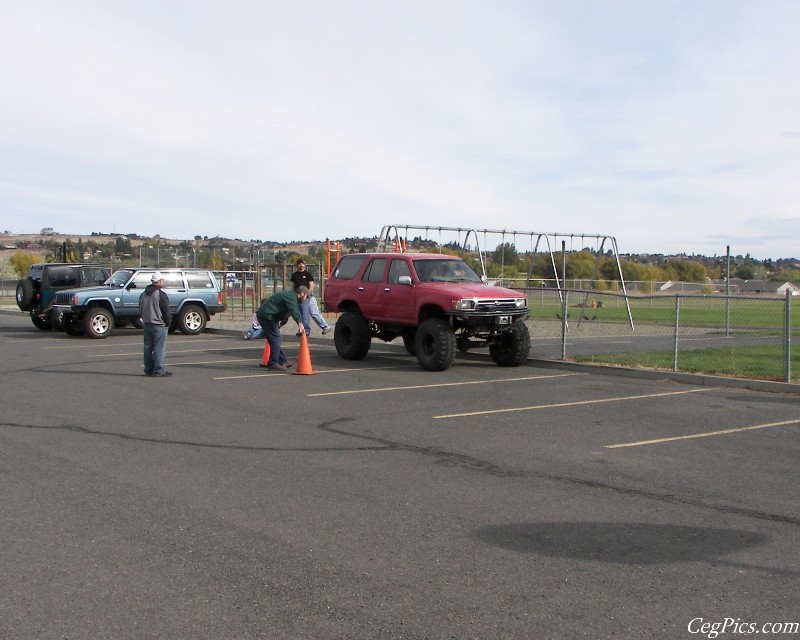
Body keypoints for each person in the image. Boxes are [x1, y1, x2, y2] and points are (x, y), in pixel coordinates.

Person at [255, 286, 308, 371]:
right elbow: (293, 310)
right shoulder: (292, 297)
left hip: (268, 317)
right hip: (267, 316)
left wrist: (281, 322)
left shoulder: (290, 296)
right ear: (302, 293)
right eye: (306, 296)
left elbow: (285, 312)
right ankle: (273, 363)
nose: (306, 299)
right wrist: (300, 323)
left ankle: (282, 360)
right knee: (276, 339)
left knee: (274, 340)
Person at [139, 271, 172, 377]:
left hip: (147, 323)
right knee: (159, 348)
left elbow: (140, 309)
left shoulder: (143, 294)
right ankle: (158, 370)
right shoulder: (160, 295)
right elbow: (166, 311)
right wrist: (168, 323)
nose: (163, 282)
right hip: (158, 325)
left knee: (147, 348)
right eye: (162, 280)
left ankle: (148, 369)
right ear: (158, 282)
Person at [289, 259, 331, 336]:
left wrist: (306, 295)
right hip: (299, 297)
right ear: (297, 265)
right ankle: (304, 330)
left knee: (314, 313)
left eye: (302, 264)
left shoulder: (308, 274)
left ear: (304, 265)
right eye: (299, 264)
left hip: (309, 297)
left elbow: (311, 285)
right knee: (301, 315)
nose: (301, 265)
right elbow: (292, 287)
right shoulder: (294, 275)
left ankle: (325, 327)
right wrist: (293, 296)